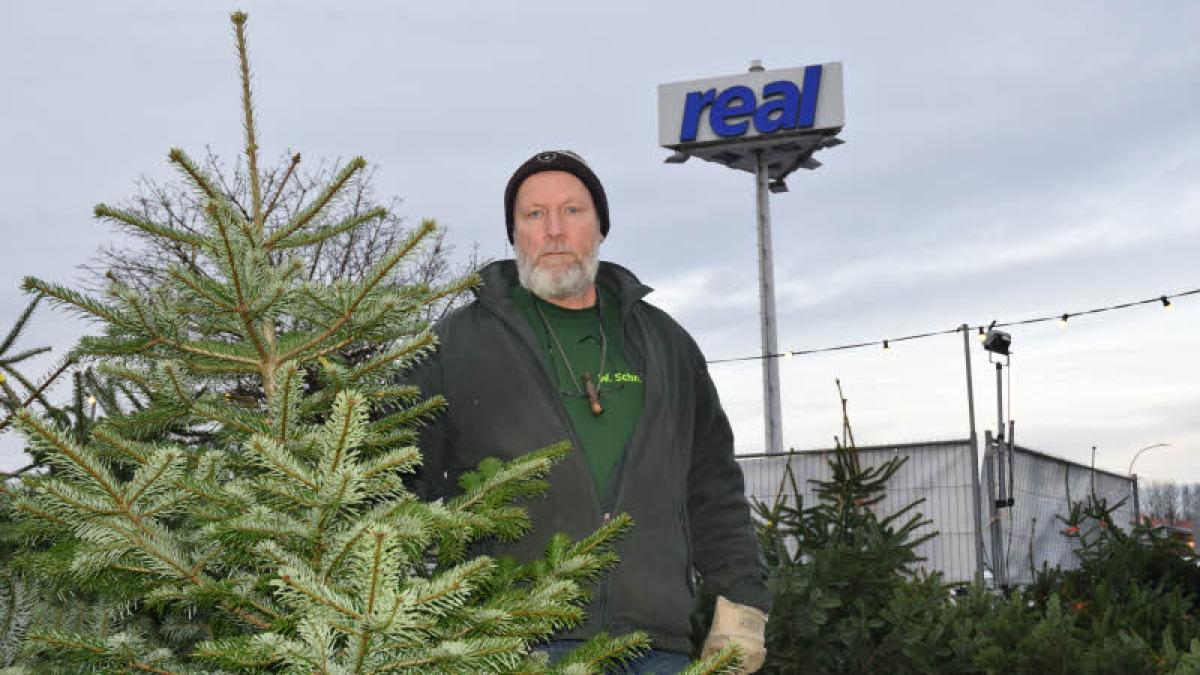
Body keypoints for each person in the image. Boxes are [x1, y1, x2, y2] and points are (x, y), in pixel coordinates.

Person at [409, 150, 769, 674]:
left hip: (655, 647)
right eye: (534, 215)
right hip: (513, 642)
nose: (554, 230)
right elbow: (397, 473)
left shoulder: (666, 344)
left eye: (573, 211)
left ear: (600, 227)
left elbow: (713, 486)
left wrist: (742, 604)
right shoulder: (457, 343)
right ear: (515, 235)